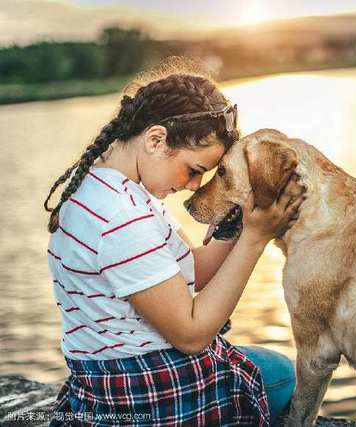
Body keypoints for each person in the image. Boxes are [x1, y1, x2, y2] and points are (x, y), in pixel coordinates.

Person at [44, 62, 305, 426]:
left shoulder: (110, 186)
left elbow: (190, 273)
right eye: (195, 170)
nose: (195, 186)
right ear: (155, 140)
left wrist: (238, 226)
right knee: (280, 371)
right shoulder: (121, 217)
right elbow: (191, 335)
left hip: (104, 377)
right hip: (140, 388)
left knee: (269, 364)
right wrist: (255, 241)